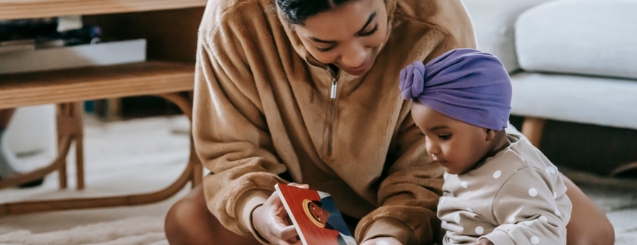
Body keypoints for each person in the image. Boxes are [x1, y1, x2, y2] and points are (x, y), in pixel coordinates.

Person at [164, 0, 614, 244]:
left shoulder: (435, 19)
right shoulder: (232, 21)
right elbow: (231, 154)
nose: (356, 58)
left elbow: (435, 165)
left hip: (432, 195)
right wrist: (262, 215)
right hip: (300, 195)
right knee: (189, 221)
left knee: (586, 233)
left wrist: (389, 236)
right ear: (284, 19)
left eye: (368, 30)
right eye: (324, 45)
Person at [399, 49, 571, 245]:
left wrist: (494, 242)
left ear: (488, 129)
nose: (430, 148)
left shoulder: (517, 174)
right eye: (424, 135)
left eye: (443, 136)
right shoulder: (468, 158)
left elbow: (547, 228)